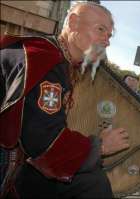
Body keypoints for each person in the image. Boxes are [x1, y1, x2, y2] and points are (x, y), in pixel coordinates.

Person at [0, 2, 130, 198]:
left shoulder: (62, 61)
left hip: (18, 160)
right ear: (73, 22)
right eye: (100, 29)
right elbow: (43, 140)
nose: (107, 41)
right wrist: (99, 146)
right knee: (92, 184)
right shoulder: (44, 59)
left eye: (109, 35)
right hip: (6, 164)